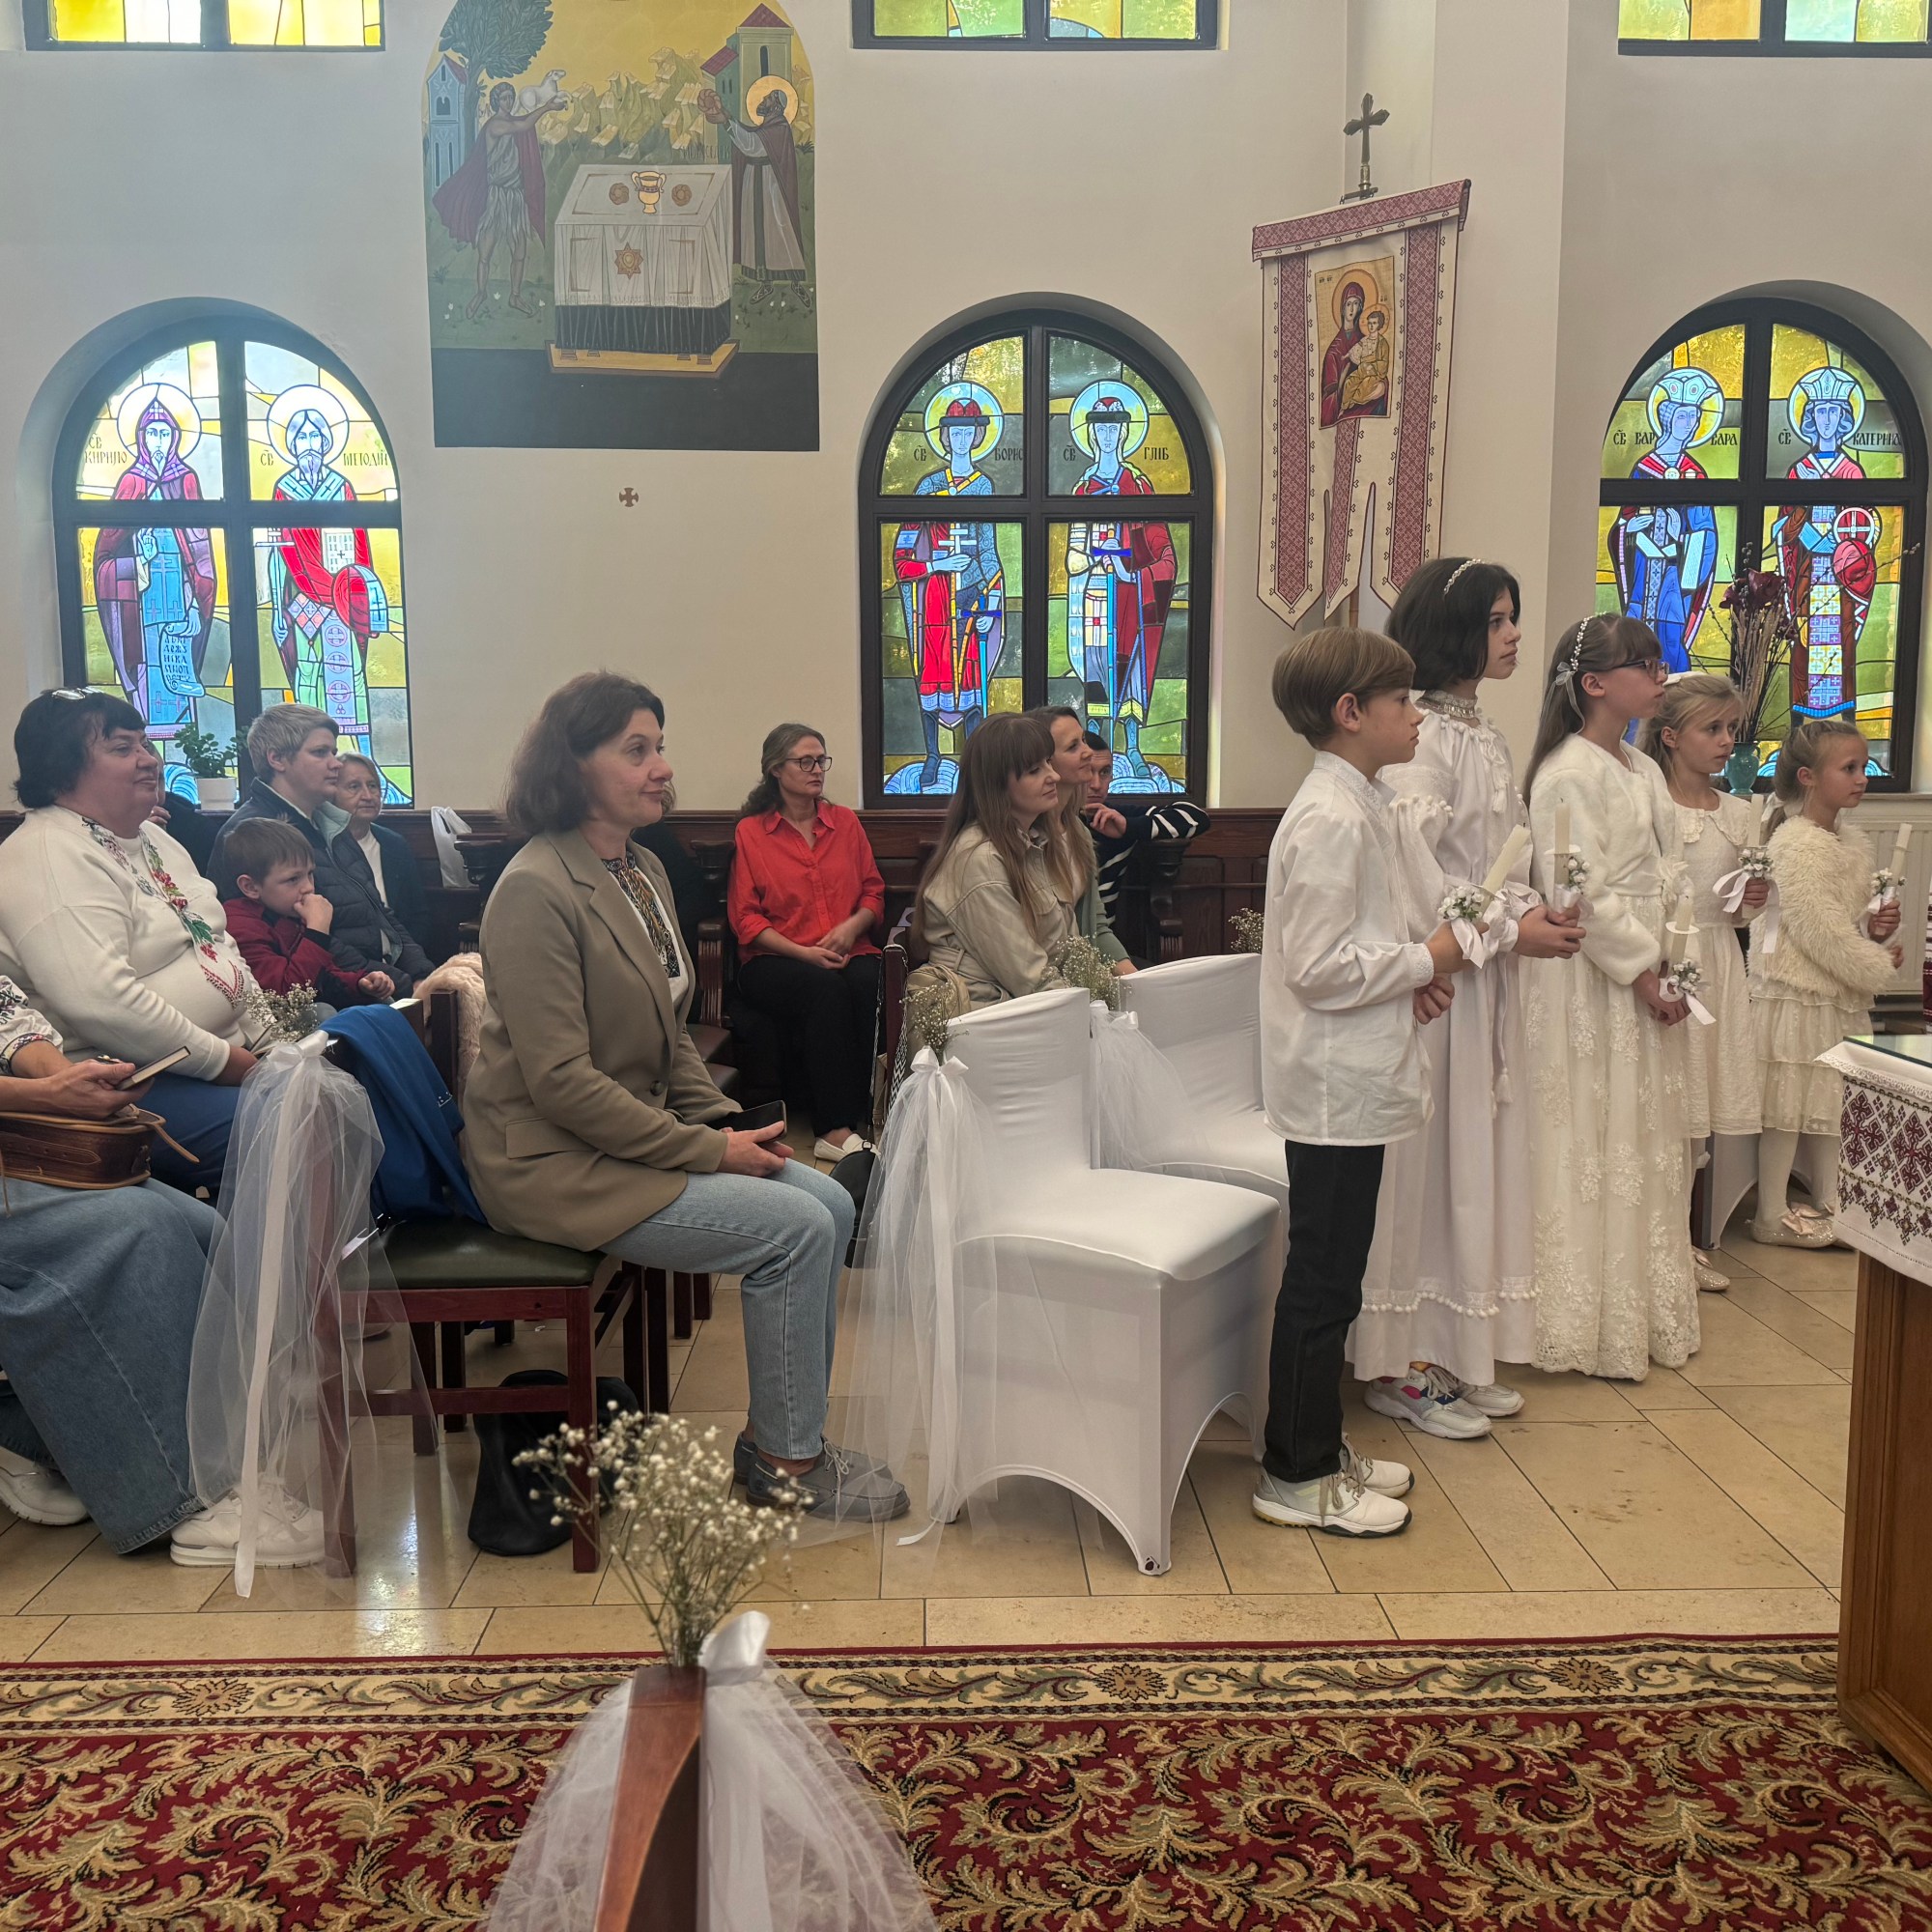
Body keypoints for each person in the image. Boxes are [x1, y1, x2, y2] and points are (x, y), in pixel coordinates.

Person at [465, 673, 906, 1523]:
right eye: (637, 750)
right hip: (554, 1161)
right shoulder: (535, 888)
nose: (663, 767)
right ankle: (787, 1460)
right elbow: (561, 1084)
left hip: (628, 1137)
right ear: (573, 765)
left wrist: (730, 1125)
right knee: (795, 1230)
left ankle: (780, 1433)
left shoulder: (641, 869)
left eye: (659, 746)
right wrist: (710, 1152)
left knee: (829, 1204)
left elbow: (671, 1034)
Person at [1353, 558, 1583, 1438]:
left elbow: (1494, 861)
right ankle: (1397, 1362)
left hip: (1483, 979)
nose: (1515, 635)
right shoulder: (1425, 735)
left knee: (1473, 1165)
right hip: (1441, 983)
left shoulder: (1478, 729)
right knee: (1427, 1169)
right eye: (1496, 620)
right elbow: (1415, 868)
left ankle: (1451, 1346)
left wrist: (1530, 910)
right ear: (1452, 630)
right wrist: (1506, 928)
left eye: (1512, 617)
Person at [1253, 626, 1463, 1539]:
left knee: (1338, 1274)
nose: (1416, 717)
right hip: (1333, 1083)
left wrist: (1406, 977)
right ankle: (1294, 1474)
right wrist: (1425, 961)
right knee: (1323, 1281)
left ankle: (1315, 1443)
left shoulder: (1362, 801)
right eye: (1401, 701)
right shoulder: (1331, 816)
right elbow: (1317, 967)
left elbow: (1355, 942)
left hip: (1356, 1071)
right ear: (1350, 712)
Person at [0, 974, 315, 1567]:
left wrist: (65, 1081)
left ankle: (212, 1463)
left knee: (202, 1228)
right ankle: (189, 1498)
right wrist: (47, 1096)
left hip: (18, 1142)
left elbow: (6, 1017)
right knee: (135, 1228)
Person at [1520, 615, 1698, 1381]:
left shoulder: (1641, 766)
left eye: (1659, 664)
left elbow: (1669, 871)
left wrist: (1679, 962)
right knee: (1592, 1135)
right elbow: (1577, 886)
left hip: (1649, 963)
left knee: (1643, 1134)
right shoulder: (1566, 771)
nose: (1661, 677)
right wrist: (1642, 969)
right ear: (1594, 683)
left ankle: (1639, 1305)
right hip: (1591, 980)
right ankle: (1575, 1316)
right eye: (1645, 666)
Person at [0, 689, 256, 1187]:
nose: (149, 760)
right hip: (130, 1081)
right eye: (122, 748)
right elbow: (102, 1002)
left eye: (145, 744)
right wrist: (228, 1062)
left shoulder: (152, 837)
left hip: (215, 1058)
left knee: (340, 1068)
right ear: (62, 769)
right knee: (295, 1123)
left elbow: (215, 940)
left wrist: (262, 1033)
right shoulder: (47, 853)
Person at [1639, 673, 1771, 1287]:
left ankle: (1685, 1241)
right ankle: (1656, 1240)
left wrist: (1751, 900)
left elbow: (1738, 912)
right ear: (1670, 736)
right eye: (1711, 729)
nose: (1726, 742)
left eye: (1730, 729)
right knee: (1666, 1101)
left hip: (1718, 962)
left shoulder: (1740, 814)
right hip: (1668, 959)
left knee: (1701, 1103)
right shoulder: (1650, 803)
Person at [1750, 717, 1901, 1249]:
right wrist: (1875, 964)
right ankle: (1770, 1213)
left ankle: (1833, 1204)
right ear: (1809, 777)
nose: (1862, 778)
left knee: (1832, 1105)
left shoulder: (1848, 842)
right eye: (1850, 768)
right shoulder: (1797, 845)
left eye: (1864, 767)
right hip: (1799, 993)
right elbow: (1819, 932)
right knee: (1788, 1108)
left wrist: (1875, 930)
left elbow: (1846, 924)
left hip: (1836, 993)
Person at [729, 724, 886, 1161]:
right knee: (825, 988)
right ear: (776, 769)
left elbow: (873, 892)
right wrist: (804, 954)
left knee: (868, 980)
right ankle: (833, 1130)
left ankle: (872, 1112)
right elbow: (745, 919)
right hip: (775, 957)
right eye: (805, 761)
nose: (817, 769)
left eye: (821, 760)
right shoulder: (752, 832)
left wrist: (851, 928)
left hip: (848, 948)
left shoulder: (845, 823)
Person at [213, 705, 433, 996]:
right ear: (277, 759)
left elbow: (379, 912)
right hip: (341, 992)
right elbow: (304, 938)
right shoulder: (252, 835)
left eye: (334, 752)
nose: (336, 764)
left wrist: (422, 973)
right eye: (320, 753)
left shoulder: (331, 823)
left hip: (382, 978)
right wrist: (404, 986)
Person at [913, 713, 1078, 1009]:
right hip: (985, 1012)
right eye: (1034, 770)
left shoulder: (1037, 841)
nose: (1053, 776)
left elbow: (1067, 950)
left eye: (1048, 762)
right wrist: (1087, 1014)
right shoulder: (981, 859)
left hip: (1029, 1006)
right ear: (997, 785)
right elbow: (1029, 977)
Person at [221, 816, 394, 1011]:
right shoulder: (241, 927)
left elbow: (323, 977)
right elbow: (288, 995)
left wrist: (358, 984)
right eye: (293, 879)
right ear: (250, 887)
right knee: (321, 1012)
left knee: (382, 1001)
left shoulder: (288, 912)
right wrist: (317, 932)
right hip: (273, 1019)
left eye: (310, 874)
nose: (308, 887)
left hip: (305, 1006)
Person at [433, 80, 563, 319]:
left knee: (520, 250)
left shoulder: (511, 123)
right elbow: (524, 125)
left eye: (510, 97)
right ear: (495, 101)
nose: (508, 101)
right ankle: (481, 293)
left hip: (515, 196)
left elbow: (522, 127)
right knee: (486, 251)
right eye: (504, 98)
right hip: (496, 196)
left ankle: (515, 295)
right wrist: (547, 107)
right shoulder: (496, 125)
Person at [1039, 707, 1132, 976]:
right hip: (1044, 981)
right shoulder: (1026, 835)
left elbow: (1096, 927)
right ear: (1045, 762)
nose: (1088, 752)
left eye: (1083, 740)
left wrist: (1137, 981)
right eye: (1073, 746)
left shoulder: (1077, 830)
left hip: (1080, 972)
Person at [1082, 731, 1210, 920]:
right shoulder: (1046, 823)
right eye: (1087, 771)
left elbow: (1197, 817)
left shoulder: (1114, 818)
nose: (1096, 784)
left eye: (1105, 772)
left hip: (1102, 932)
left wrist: (1129, 827)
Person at [333, 752, 433, 957]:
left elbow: (418, 916)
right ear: (331, 794)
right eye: (354, 786)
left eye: (373, 786)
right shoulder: (324, 847)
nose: (368, 796)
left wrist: (408, 960)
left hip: (401, 959)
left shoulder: (395, 844)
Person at [1337, 305, 1391, 417]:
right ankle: (1344, 407)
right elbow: (1355, 349)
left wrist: (1373, 366)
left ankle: (1352, 403)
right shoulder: (1364, 340)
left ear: (1379, 324)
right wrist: (1346, 356)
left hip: (1374, 373)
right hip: (1362, 370)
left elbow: (1384, 363)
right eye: (1370, 323)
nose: (1371, 326)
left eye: (1374, 323)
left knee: (1365, 385)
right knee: (1349, 381)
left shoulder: (1382, 343)